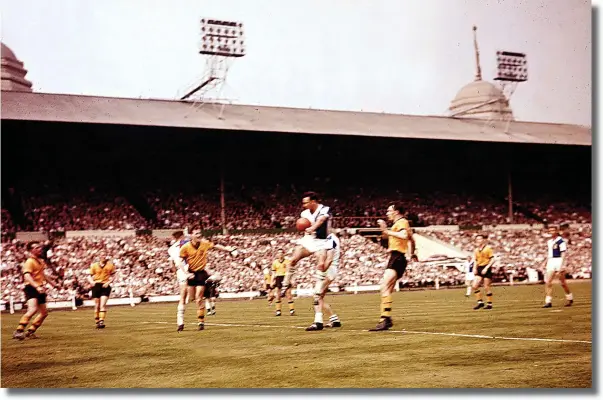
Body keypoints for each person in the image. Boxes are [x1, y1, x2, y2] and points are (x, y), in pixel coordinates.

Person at [179, 227, 236, 331]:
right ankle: (200, 314)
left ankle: (201, 322)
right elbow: (180, 261)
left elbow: (216, 246)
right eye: (196, 233)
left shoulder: (204, 243)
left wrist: (228, 249)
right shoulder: (185, 247)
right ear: (191, 235)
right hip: (191, 273)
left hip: (201, 273)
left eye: (199, 233)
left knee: (199, 298)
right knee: (192, 298)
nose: (199, 235)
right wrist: (186, 273)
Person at [369, 204, 415, 331]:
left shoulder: (402, 222)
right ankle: (386, 319)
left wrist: (387, 230)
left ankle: (385, 319)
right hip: (397, 257)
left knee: (384, 286)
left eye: (389, 210)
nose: (387, 213)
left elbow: (404, 236)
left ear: (396, 212)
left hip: (397, 257)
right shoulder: (399, 224)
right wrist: (412, 253)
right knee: (387, 288)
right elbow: (410, 239)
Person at [281, 192, 331, 297]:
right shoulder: (304, 214)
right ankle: (285, 284)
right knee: (293, 259)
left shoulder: (324, 209)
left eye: (306, 203)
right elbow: (303, 225)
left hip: (321, 241)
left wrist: (313, 228)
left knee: (321, 264)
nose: (304, 205)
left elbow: (321, 220)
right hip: (308, 239)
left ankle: (318, 289)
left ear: (313, 201)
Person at [13, 242, 60, 340]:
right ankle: (19, 331)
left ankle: (30, 332)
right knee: (33, 309)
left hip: (40, 288)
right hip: (31, 287)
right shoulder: (29, 261)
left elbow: (43, 275)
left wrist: (54, 284)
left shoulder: (41, 261)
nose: (40, 249)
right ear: (31, 250)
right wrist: (36, 286)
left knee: (44, 313)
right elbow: (27, 275)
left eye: (40, 247)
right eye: (37, 247)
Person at [306, 232, 342, 331]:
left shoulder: (330, 239)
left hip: (328, 270)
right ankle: (334, 320)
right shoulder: (331, 238)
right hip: (330, 270)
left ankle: (318, 322)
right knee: (320, 297)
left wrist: (322, 270)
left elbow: (329, 259)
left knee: (317, 295)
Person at [542, 225, 573, 308]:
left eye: (553, 230)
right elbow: (549, 253)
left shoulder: (561, 241)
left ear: (557, 231)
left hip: (559, 260)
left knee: (562, 283)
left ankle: (569, 298)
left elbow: (563, 253)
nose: (551, 232)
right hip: (551, 261)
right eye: (550, 230)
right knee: (548, 282)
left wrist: (561, 265)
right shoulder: (549, 242)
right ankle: (548, 302)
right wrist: (545, 262)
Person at [169, 230, 191, 332]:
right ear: (182, 236)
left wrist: (176, 273)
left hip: (180, 271)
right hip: (188, 268)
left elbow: (172, 265)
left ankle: (180, 321)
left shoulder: (171, 249)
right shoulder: (186, 243)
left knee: (183, 296)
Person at [88, 255, 116, 329]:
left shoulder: (110, 265)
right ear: (99, 257)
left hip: (105, 286)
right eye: (102, 256)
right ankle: (97, 321)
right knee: (97, 305)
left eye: (105, 256)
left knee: (102, 305)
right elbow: (89, 276)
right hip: (96, 285)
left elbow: (114, 276)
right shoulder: (94, 265)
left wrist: (108, 282)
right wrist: (91, 282)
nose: (104, 257)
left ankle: (101, 321)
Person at [471, 234, 495, 310]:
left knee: (486, 287)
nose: (479, 241)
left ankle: (489, 304)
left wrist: (487, 268)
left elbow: (493, 259)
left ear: (483, 240)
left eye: (480, 239)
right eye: (477, 239)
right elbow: (475, 260)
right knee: (474, 286)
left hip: (486, 267)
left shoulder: (488, 249)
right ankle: (480, 302)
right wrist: (474, 268)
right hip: (479, 268)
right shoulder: (476, 250)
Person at [271, 250, 294, 316]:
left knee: (288, 294)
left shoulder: (287, 261)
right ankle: (278, 311)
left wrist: (291, 279)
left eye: (281, 253)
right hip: (278, 278)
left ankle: (291, 310)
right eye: (279, 253)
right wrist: (272, 281)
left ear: (284, 254)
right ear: (277, 254)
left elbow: (290, 271)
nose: (280, 254)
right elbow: (273, 273)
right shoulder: (275, 262)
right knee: (278, 295)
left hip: (285, 277)